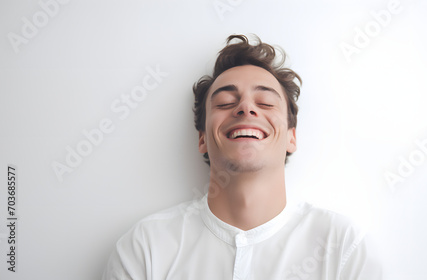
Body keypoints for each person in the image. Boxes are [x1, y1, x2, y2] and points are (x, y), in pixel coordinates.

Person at [102, 34, 383, 279]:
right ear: (202, 138)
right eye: (225, 103)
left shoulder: (344, 247)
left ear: (291, 137)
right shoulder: (145, 248)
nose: (246, 108)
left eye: (265, 102)